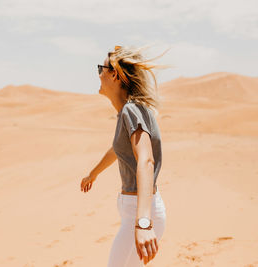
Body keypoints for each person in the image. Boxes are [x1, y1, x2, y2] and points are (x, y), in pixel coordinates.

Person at [80, 44, 171, 266]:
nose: (99, 74)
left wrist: (143, 223)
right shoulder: (128, 112)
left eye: (102, 68)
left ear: (115, 75)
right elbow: (117, 150)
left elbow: (146, 161)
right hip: (134, 211)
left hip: (140, 213)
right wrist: (94, 174)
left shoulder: (132, 110)